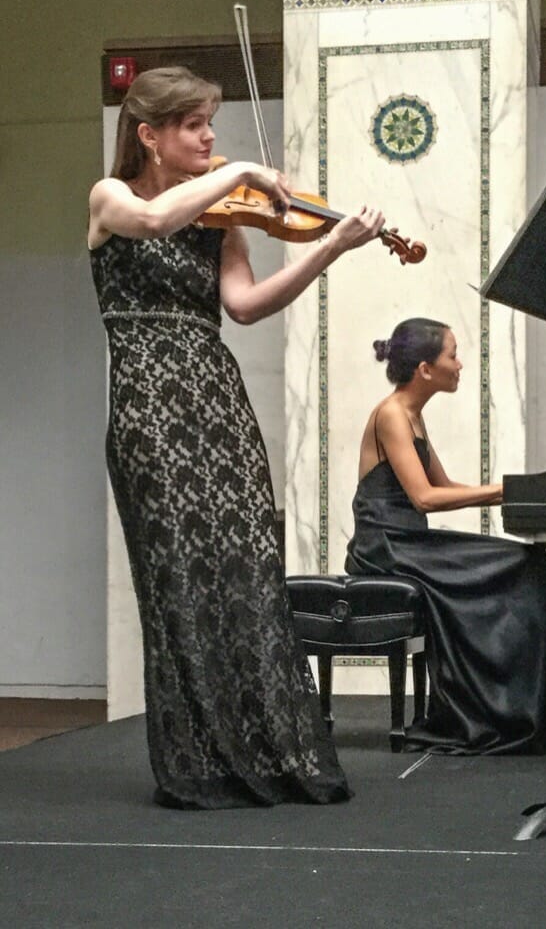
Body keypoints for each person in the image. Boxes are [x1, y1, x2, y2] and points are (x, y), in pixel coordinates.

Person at [88, 65, 385, 808]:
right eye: (192, 125)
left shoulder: (221, 217)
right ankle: (196, 758)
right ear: (149, 136)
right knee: (179, 581)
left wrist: (331, 248)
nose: (209, 137)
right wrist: (247, 169)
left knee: (246, 570)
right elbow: (155, 223)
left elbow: (246, 307)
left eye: (210, 124)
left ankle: (270, 750)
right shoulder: (112, 197)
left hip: (217, 402)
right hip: (150, 406)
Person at [345, 317, 546, 754]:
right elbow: (427, 499)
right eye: (452, 354)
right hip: (388, 548)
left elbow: (445, 486)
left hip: (409, 543)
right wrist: (510, 490)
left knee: (531, 562)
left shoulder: (411, 414)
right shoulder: (391, 414)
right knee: (528, 564)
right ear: (425, 369)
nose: (460, 363)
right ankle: (526, 712)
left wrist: (520, 491)